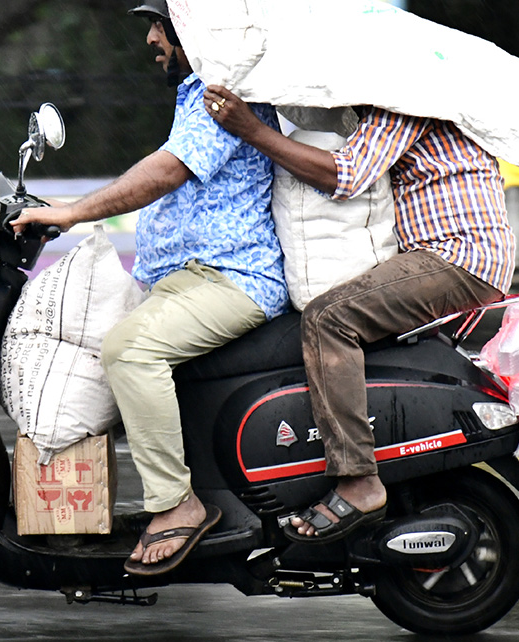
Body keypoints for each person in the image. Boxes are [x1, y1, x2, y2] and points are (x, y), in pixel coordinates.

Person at [12, 0, 289, 574]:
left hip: (229, 278)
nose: (151, 38)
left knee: (130, 350)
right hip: (189, 280)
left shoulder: (222, 97)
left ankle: (177, 506)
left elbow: (165, 172)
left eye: (161, 25)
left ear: (194, 32)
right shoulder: (197, 97)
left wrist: (70, 213)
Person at [202, 86, 515, 542]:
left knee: (329, 319)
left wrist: (250, 129)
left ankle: (359, 481)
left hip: (457, 258)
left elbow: (345, 175)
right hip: (443, 255)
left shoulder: (410, 100)